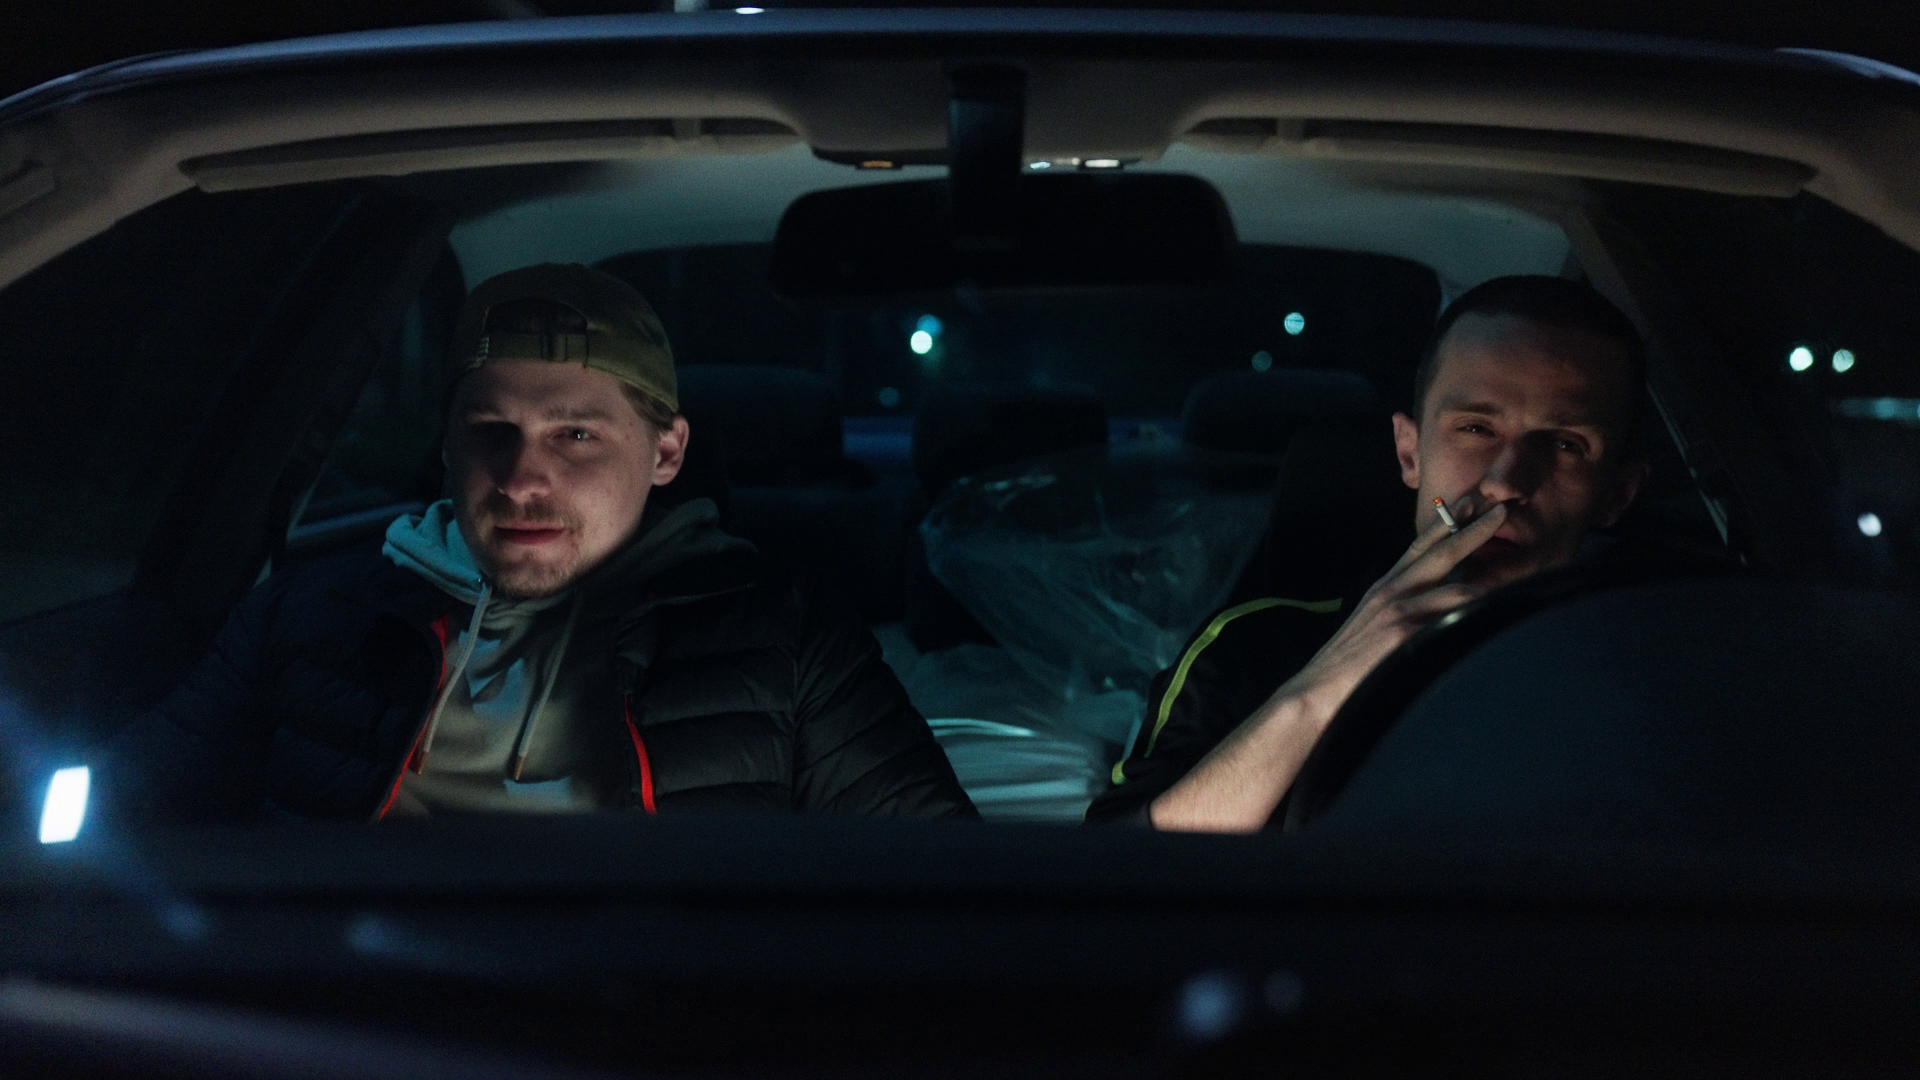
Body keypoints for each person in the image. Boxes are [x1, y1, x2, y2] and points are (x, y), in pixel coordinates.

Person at [104, 264, 974, 821]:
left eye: (576, 437)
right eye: (492, 431)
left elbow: (939, 881)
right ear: (447, 445)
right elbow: (118, 823)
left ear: (666, 452)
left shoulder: (781, 636)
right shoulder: (308, 613)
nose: (522, 478)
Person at [1086, 275, 1650, 831]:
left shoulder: (1655, 675)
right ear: (1410, 453)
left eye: (1564, 444)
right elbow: (1109, 883)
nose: (1506, 482)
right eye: (1476, 428)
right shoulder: (1253, 647)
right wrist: (1321, 689)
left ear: (1616, 494)